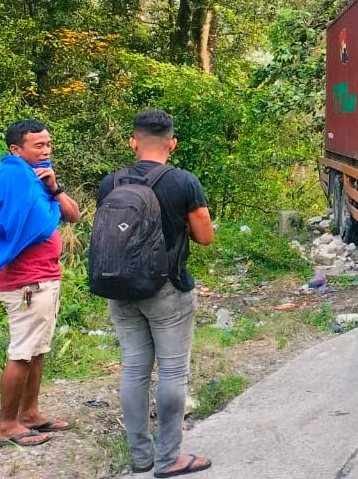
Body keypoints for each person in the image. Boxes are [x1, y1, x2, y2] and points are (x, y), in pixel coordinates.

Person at [97, 110, 214, 478]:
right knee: (173, 371)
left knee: (134, 369)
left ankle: (141, 457)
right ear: (172, 144)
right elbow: (205, 237)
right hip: (167, 290)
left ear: (133, 142)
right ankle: (169, 459)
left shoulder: (110, 183)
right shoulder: (183, 182)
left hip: (119, 288)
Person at [0, 119, 81, 448]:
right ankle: (6, 426)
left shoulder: (38, 177)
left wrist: (54, 186)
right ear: (16, 149)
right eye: (38, 145)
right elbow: (15, 225)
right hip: (26, 282)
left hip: (44, 277)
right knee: (23, 351)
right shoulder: (15, 178)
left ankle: (29, 414)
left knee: (37, 349)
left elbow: (74, 215)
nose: (46, 150)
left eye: (48, 144)